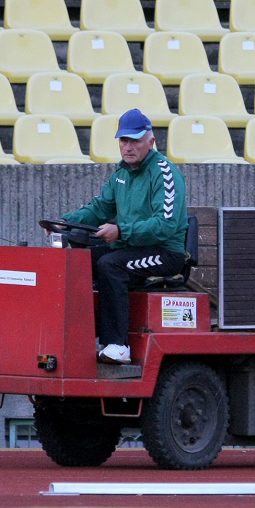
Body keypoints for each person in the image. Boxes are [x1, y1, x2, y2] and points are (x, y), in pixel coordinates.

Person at [59, 108, 188, 364]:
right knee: (81, 260)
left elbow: (165, 225)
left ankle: (117, 345)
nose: (128, 147)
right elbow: (99, 208)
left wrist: (121, 231)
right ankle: (78, 340)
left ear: (151, 142)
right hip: (131, 246)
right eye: (124, 140)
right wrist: (67, 221)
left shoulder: (165, 173)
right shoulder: (120, 175)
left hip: (165, 253)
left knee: (110, 264)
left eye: (135, 140)